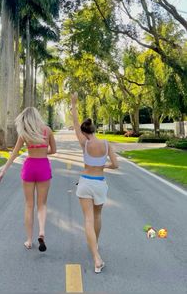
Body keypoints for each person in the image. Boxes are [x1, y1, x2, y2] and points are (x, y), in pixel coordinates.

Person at [0, 107, 56, 252]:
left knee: (29, 205)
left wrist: (3, 171)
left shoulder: (24, 133)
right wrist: (42, 150)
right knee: (42, 205)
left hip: (29, 168)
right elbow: (53, 150)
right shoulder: (47, 130)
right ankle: (41, 231)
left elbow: (15, 154)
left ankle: (29, 240)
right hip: (43, 167)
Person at [71, 92, 118, 273]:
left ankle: (96, 257)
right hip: (100, 183)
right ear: (94, 130)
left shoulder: (85, 144)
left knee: (88, 220)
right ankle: (95, 247)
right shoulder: (106, 144)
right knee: (97, 217)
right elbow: (116, 164)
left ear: (84, 132)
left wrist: (74, 104)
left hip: (85, 183)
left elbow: (75, 123)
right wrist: (105, 165)